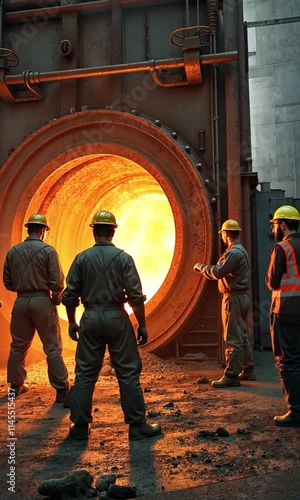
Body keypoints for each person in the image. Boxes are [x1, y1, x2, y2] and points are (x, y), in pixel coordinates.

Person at [62, 210, 162, 441]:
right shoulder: (124, 258)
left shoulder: (81, 258)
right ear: (113, 231)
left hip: (90, 317)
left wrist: (72, 322)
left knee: (85, 373)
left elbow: (69, 296)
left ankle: (79, 427)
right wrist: (142, 325)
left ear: (94, 231)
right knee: (127, 372)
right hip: (117, 317)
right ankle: (137, 427)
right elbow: (135, 296)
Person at [3, 214, 69, 403]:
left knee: (18, 346)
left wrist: (23, 288)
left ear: (28, 230)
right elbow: (57, 282)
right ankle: (62, 390)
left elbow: (8, 282)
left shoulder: (13, 251)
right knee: (52, 347)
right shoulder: (48, 251)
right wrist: (56, 300)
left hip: (21, 301)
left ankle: (15, 386)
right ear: (42, 231)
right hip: (42, 300)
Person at [193, 219, 255, 388]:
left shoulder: (233, 253)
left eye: (222, 234)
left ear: (226, 234)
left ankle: (231, 375)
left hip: (233, 299)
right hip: (241, 297)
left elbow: (218, 272)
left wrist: (201, 267)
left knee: (232, 337)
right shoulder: (241, 250)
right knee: (241, 335)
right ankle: (248, 369)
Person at [265, 205, 300, 427]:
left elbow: (272, 282)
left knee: (289, 361)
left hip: (286, 310)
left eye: (276, 224)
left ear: (284, 224)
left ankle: (296, 411)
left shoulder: (281, 248)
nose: (274, 228)